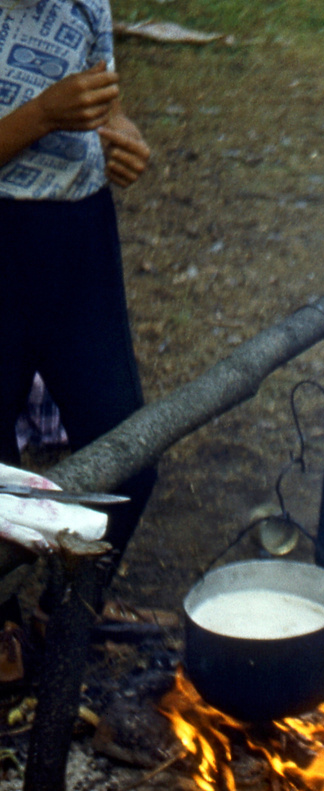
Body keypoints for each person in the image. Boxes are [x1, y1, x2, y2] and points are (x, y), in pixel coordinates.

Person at [0, 0, 156, 630]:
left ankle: (69, 605)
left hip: (82, 239)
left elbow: (105, 104)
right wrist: (41, 116)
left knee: (131, 452)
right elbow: (58, 108)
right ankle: (2, 620)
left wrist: (126, 139)